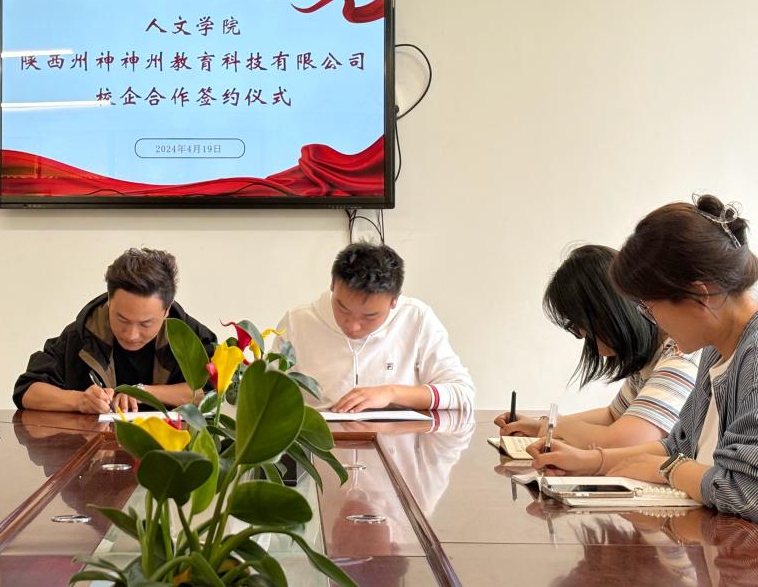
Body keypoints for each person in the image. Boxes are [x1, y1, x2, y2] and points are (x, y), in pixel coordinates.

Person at [530, 194, 758, 522]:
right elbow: (678, 446)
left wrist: (670, 469)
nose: (653, 321)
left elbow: (746, 490)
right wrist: (593, 462)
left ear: (700, 295)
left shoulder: (752, 355)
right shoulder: (715, 351)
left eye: (649, 307)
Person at [495, 245, 699, 447]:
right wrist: (542, 425)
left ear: (608, 312)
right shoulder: (648, 358)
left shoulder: (680, 357)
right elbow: (613, 415)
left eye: (580, 324)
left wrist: (557, 428)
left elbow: (624, 440)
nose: (581, 334)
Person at [276, 242, 474, 412]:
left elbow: (462, 393)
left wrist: (391, 393)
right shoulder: (297, 322)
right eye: (342, 308)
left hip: (396, 438)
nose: (353, 326)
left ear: (394, 301)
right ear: (332, 285)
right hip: (320, 440)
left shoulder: (416, 318)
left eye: (369, 316)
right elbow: (269, 394)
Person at [13, 248, 216, 414]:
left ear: (166, 311)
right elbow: (28, 390)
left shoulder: (190, 338)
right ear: (109, 301)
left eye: (145, 324)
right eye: (122, 319)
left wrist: (141, 392)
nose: (131, 335)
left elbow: (215, 394)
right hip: (94, 447)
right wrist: (80, 400)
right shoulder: (83, 334)